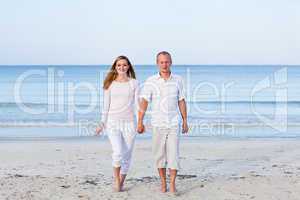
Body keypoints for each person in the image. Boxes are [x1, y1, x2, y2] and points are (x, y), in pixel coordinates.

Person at [137, 51, 189, 193]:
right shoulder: (151, 81)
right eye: (161, 62)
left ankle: (172, 184)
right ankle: (163, 183)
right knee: (159, 154)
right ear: (157, 63)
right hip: (158, 123)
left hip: (174, 123)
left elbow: (182, 101)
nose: (164, 64)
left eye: (167, 61)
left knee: (173, 154)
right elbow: (144, 102)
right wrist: (140, 121)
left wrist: (185, 120)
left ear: (171, 62)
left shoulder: (178, 80)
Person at [96, 55, 139, 192]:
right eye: (119, 65)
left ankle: (121, 182)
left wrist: (141, 122)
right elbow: (106, 106)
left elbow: (138, 105)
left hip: (129, 123)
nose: (122, 67)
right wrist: (102, 123)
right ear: (115, 67)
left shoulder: (134, 83)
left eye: (124, 65)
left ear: (128, 67)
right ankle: (116, 180)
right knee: (118, 152)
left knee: (127, 155)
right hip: (113, 123)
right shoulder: (110, 83)